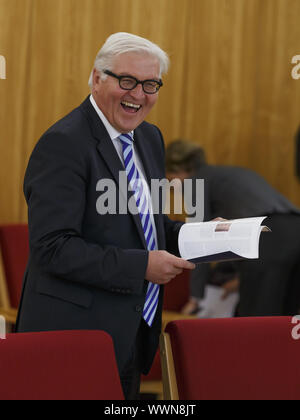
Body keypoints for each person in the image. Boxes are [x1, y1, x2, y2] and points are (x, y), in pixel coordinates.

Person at [16, 33, 195, 400]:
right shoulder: (63, 143)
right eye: (126, 81)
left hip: (131, 331)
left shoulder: (150, 138)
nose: (138, 94)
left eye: (150, 84)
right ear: (96, 78)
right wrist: (141, 266)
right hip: (72, 340)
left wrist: (207, 237)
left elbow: (149, 225)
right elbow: (53, 248)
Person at [166, 139, 300, 317]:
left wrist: (195, 299)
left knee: (256, 323)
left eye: (168, 180)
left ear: (178, 171)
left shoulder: (195, 182)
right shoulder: (229, 174)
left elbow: (197, 242)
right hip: (295, 230)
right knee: (286, 319)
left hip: (266, 235)